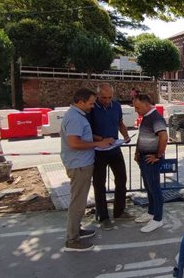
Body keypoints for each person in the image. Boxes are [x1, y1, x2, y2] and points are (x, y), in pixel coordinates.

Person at [60, 88, 114, 252]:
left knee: (79, 201)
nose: (92, 106)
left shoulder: (76, 115)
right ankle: (72, 240)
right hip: (79, 165)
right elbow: (74, 143)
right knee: (78, 202)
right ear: (80, 102)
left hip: (81, 164)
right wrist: (99, 144)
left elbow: (84, 136)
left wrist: (101, 139)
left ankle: (76, 230)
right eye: (90, 103)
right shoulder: (75, 118)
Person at [88, 83, 132, 231]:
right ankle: (103, 216)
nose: (107, 100)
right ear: (97, 95)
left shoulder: (117, 106)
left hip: (115, 149)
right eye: (103, 97)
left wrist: (125, 135)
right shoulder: (92, 109)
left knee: (122, 179)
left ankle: (119, 211)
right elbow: (86, 131)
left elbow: (120, 123)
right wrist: (101, 140)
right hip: (98, 151)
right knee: (99, 184)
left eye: (109, 97)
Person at [132, 93, 168, 233]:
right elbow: (142, 137)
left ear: (147, 105)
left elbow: (164, 137)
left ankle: (158, 219)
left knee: (155, 189)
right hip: (144, 158)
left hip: (151, 159)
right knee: (149, 188)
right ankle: (151, 212)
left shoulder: (155, 117)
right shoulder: (146, 117)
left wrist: (158, 156)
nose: (136, 110)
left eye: (138, 107)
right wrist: (137, 152)